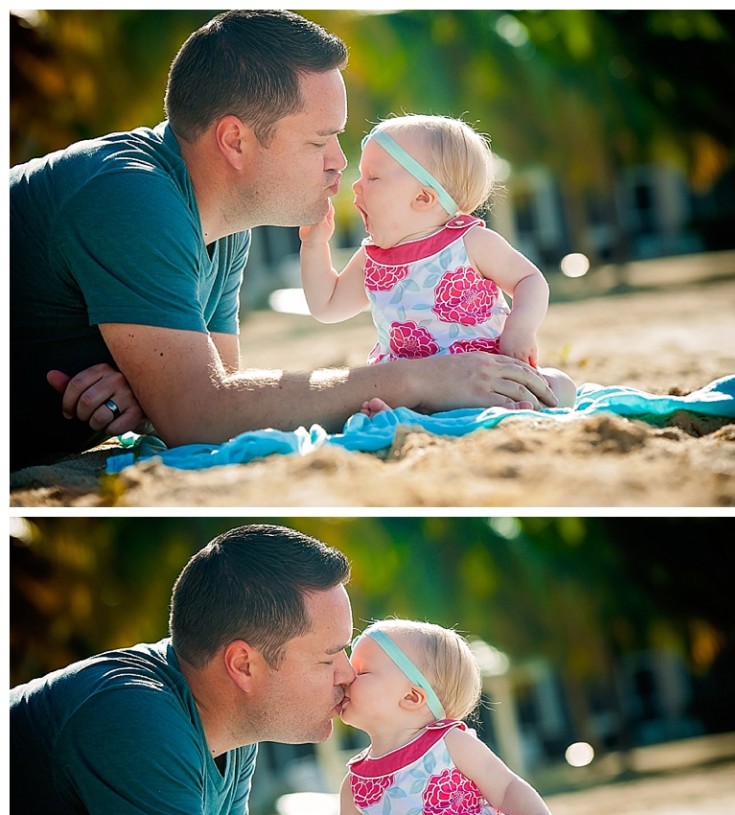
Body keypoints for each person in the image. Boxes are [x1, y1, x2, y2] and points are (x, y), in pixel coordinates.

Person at [9, 524, 566, 815]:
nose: (348, 673)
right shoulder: (132, 712)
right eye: (330, 657)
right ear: (244, 666)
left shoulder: (231, 729)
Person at [10, 10, 557, 470]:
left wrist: (154, 396)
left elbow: (220, 392)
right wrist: (420, 377)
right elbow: (200, 415)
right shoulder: (130, 195)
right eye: (321, 140)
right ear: (235, 140)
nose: (340, 164)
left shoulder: (223, 227)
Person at [299, 114, 577, 415]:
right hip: (414, 385)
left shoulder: (470, 241)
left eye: (372, 177)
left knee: (560, 386)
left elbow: (529, 279)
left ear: (423, 197)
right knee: (377, 398)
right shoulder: (373, 259)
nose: (356, 186)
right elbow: (326, 306)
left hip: (486, 374)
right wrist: (314, 245)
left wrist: (520, 329)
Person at [318, 619, 586, 815]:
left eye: (361, 671)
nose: (346, 676)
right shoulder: (357, 781)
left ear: (411, 697)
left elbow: (507, 789)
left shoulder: (449, 743)